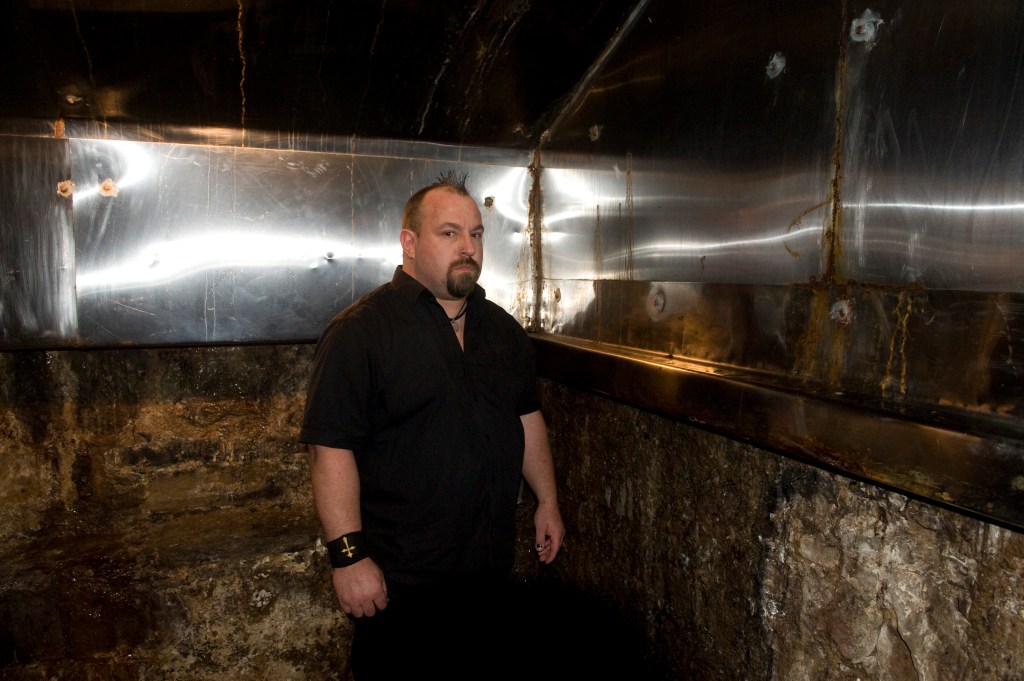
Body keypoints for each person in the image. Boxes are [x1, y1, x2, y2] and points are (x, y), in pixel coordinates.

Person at [299, 172, 565, 680]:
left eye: (476, 234)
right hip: (403, 592)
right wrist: (348, 559)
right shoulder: (360, 333)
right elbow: (329, 449)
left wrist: (547, 501)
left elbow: (526, 417)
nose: (468, 248)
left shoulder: (502, 330)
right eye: (449, 233)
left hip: (489, 582)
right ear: (410, 242)